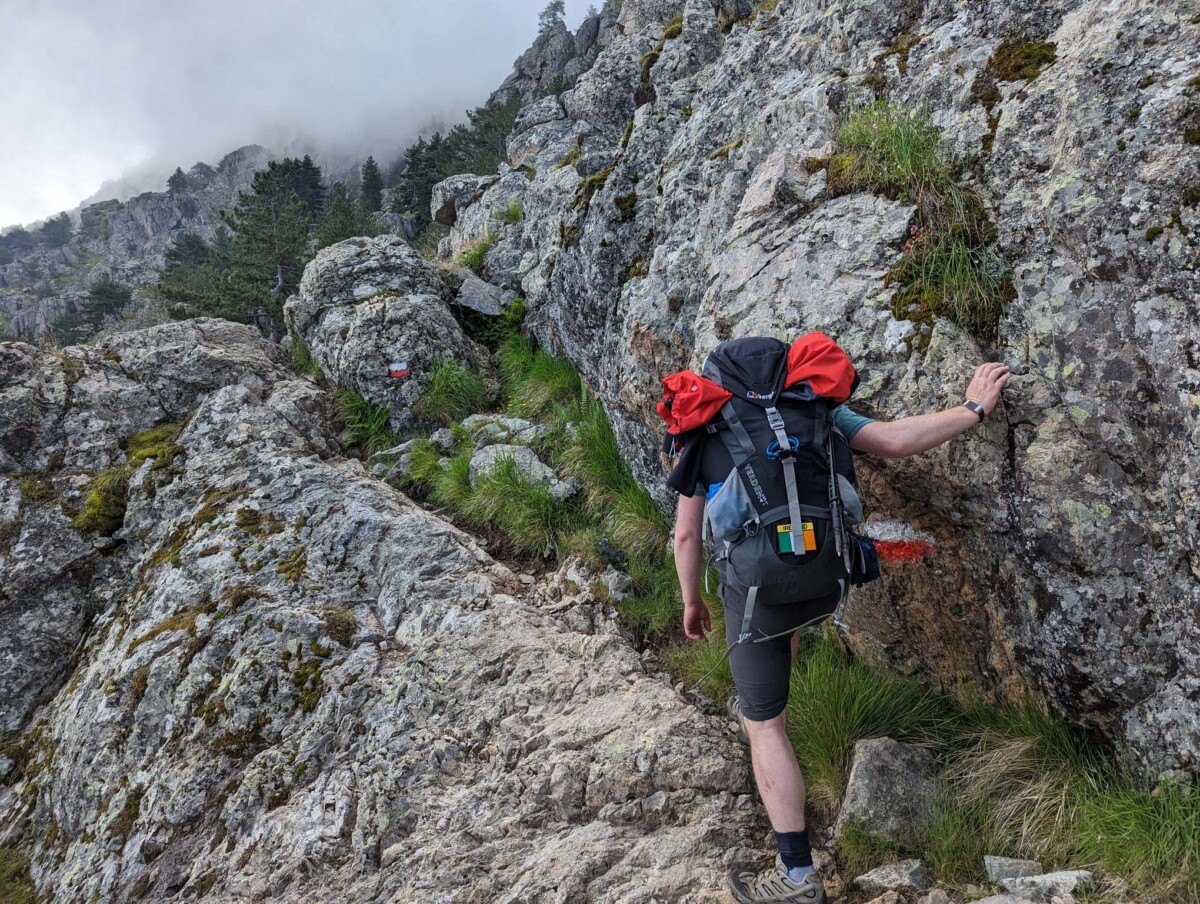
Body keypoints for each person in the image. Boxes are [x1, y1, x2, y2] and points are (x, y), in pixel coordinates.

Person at [669, 353, 1010, 904]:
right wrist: (972, 408)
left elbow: (687, 536)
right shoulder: (813, 406)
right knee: (782, 626)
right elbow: (894, 440)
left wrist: (691, 601)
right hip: (826, 580)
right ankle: (764, 701)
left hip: (758, 594)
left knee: (765, 725)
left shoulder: (706, 424)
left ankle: (797, 874)